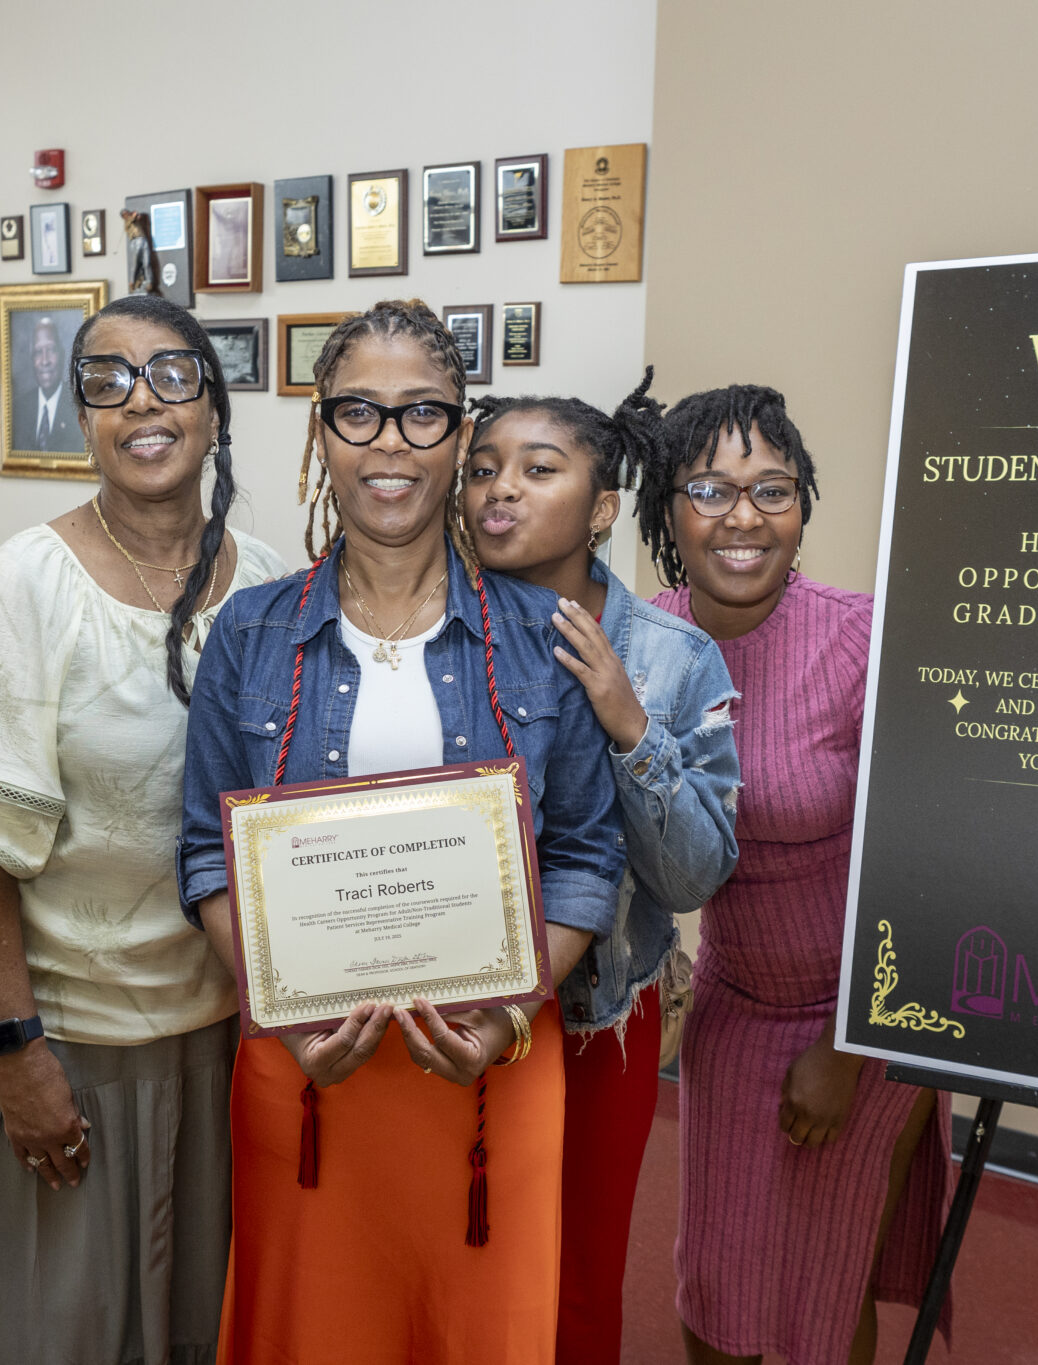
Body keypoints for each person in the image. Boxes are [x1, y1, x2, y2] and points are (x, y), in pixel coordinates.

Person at [179, 299, 627, 1364]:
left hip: (494, 1069)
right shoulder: (248, 631)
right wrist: (287, 1016)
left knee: (476, 1334)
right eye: (358, 413)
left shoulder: (538, 639)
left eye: (422, 414)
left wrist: (507, 1011)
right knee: (312, 1332)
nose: (389, 443)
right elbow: (205, 849)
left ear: (461, 434)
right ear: (319, 435)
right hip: (305, 1071)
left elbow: (585, 857)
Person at [0, 293, 283, 1365]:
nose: (141, 402)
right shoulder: (27, 583)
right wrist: (15, 1052)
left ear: (213, 409)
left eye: (171, 374)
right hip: (70, 1046)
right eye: (106, 381)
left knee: (198, 1327)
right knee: (65, 1336)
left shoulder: (264, 582)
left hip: (224, 1039)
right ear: (82, 418)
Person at [637, 386, 952, 1365]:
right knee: (714, 1282)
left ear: (802, 505)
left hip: (859, 1013)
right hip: (733, 1003)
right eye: (710, 489)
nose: (742, 517)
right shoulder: (642, 642)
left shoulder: (859, 638)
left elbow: (924, 856)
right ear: (666, 510)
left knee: (823, 1284)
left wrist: (848, 1045)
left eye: (770, 489)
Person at [461, 371, 741, 1363]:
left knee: (572, 1285)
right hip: (441, 1008)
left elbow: (693, 879)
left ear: (604, 507)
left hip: (591, 1022)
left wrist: (630, 728)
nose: (501, 488)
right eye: (483, 468)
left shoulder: (670, 658)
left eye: (539, 470)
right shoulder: (422, 629)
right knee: (452, 1270)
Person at [13, 314, 80, 453]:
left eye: (50, 350)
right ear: (32, 359)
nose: (45, 361)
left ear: (61, 355)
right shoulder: (18, 409)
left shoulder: (77, 407)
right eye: (38, 352)